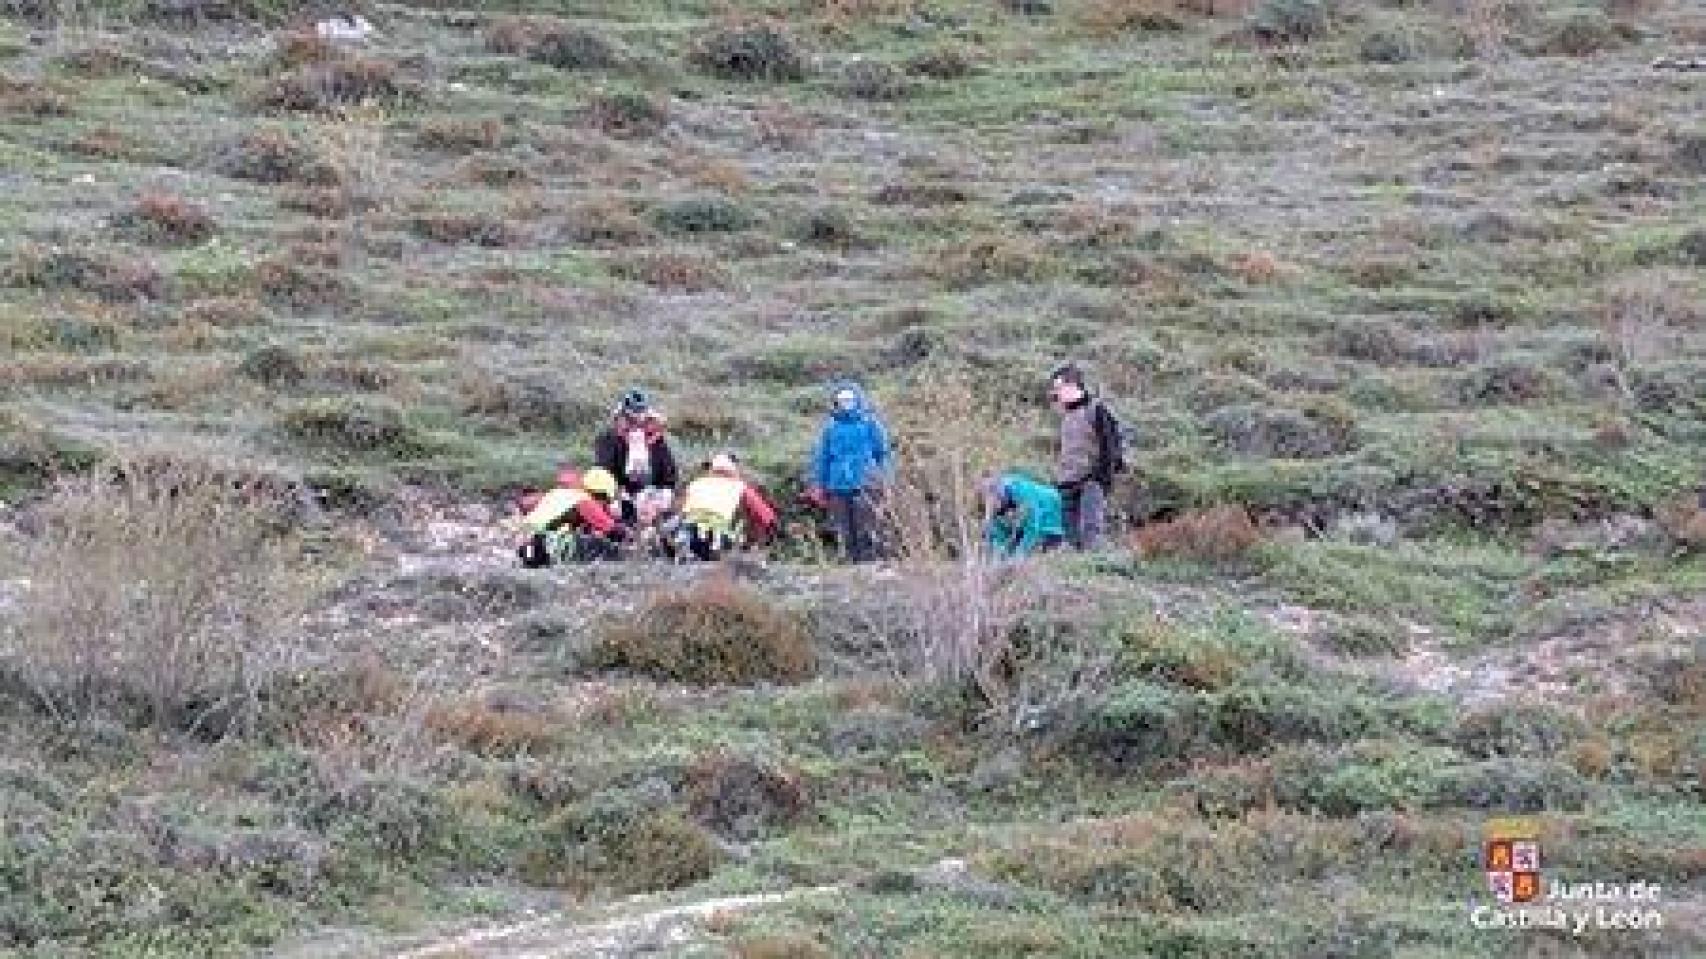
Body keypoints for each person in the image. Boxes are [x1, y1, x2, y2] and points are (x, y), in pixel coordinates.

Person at [808, 382, 891, 563]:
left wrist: (884, 479)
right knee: (843, 529)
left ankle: (869, 563)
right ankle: (849, 565)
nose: (846, 403)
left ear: (857, 400)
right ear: (836, 402)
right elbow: (822, 458)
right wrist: (818, 485)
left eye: (849, 400)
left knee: (867, 528)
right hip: (838, 485)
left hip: (866, 484)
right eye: (842, 400)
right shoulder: (830, 428)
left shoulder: (870, 424)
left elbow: (882, 453)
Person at [1048, 363, 1122, 550]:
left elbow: (1110, 446)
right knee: (1069, 535)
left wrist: (1101, 477)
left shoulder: (1096, 410)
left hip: (1091, 481)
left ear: (1072, 385)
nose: (1056, 393)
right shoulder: (1066, 416)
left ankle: (1096, 572)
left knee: (1091, 533)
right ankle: (1077, 573)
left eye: (1059, 388)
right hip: (1066, 482)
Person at [670, 452, 778, 561]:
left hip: (686, 529)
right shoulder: (740, 487)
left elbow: (678, 509)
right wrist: (771, 537)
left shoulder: (696, 484)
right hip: (715, 533)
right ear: (734, 471)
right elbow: (767, 516)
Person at [593, 389, 679, 524]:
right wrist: (618, 492)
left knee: (663, 500)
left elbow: (669, 475)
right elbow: (603, 472)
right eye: (630, 419)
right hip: (619, 492)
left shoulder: (656, 440)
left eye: (640, 419)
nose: (636, 424)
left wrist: (659, 492)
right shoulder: (608, 439)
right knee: (616, 508)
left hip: (650, 492)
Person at [514, 466, 627, 567]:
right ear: (601, 494)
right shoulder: (582, 499)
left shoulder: (560, 494)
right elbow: (612, 530)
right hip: (545, 545)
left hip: (527, 550)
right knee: (604, 547)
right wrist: (628, 537)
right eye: (606, 502)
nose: (605, 506)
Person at [983, 472, 1066, 560]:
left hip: (1049, 514)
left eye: (995, 504)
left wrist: (1019, 555)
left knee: (1043, 550)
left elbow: (1033, 526)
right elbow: (996, 531)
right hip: (1024, 519)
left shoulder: (1022, 493)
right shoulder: (998, 499)